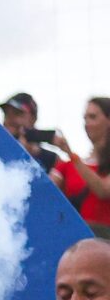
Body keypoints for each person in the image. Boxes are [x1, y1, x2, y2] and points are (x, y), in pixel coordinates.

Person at [52, 96, 110, 238]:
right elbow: (44, 191)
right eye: (85, 118)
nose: (87, 123)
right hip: (76, 243)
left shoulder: (73, 162)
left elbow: (103, 190)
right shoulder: (66, 166)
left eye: (92, 117)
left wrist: (71, 155)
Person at [2, 94, 63, 174]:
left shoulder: (52, 159)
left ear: (33, 118)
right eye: (6, 113)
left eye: (17, 113)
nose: (10, 118)